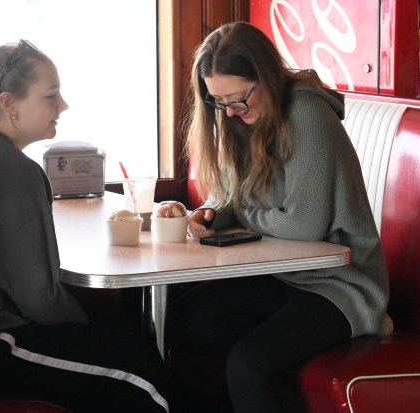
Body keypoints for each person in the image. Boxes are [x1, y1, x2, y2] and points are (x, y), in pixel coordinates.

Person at [0, 40, 168, 412]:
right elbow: (38, 298)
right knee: (141, 369)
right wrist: (89, 329)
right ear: (9, 104)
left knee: (119, 338)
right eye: (51, 95)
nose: (63, 106)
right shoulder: (10, 169)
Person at [167, 22, 390, 413]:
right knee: (188, 318)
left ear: (267, 76)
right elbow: (235, 193)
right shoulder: (241, 117)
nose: (232, 112)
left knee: (249, 364)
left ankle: (369, 325)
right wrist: (210, 213)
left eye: (239, 99)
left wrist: (241, 214)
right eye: (220, 103)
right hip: (283, 275)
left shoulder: (307, 114)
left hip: (339, 285)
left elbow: (304, 226)